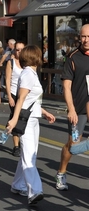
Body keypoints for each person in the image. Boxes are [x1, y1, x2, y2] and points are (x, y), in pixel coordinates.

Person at [6, 45, 56, 205]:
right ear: (35, 57)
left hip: (33, 117)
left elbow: (30, 100)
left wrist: (44, 112)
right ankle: (34, 191)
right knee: (29, 155)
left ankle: (17, 184)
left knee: (30, 153)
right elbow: (21, 99)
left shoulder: (31, 73)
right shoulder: (28, 73)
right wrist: (14, 119)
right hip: (26, 120)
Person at [54, 24, 89, 191]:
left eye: (88, 36)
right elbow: (66, 87)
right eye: (83, 36)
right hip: (79, 109)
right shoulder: (73, 58)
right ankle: (61, 173)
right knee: (73, 145)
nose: (86, 40)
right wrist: (71, 109)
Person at [5, 41, 25, 157]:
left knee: (24, 118)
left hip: (24, 95)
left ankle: (23, 142)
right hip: (14, 93)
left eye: (22, 49)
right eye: (17, 49)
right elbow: (7, 80)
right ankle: (16, 146)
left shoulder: (28, 63)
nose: (19, 52)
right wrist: (9, 96)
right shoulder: (11, 63)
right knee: (15, 117)